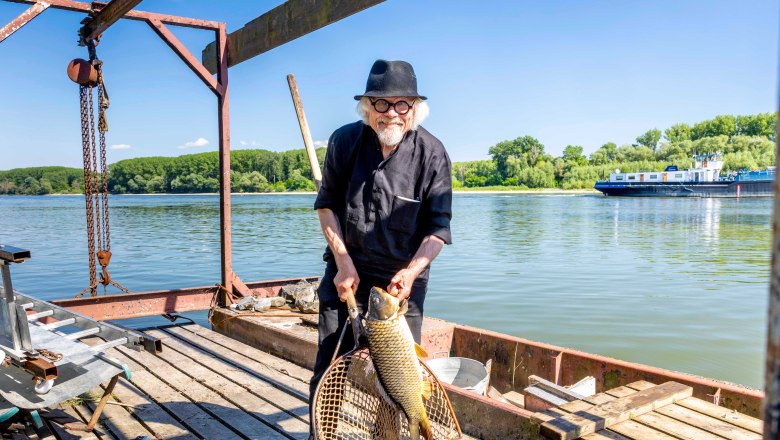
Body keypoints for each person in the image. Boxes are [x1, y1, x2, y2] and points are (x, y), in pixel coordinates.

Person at [309, 59, 453, 432]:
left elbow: (438, 231)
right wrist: (342, 261)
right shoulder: (344, 141)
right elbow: (326, 207)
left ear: (415, 109)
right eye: (382, 104)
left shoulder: (433, 154)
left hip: (401, 286)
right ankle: (319, 434)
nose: (392, 114)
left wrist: (410, 271)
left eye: (402, 104)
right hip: (347, 274)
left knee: (398, 382)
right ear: (367, 107)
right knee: (329, 367)